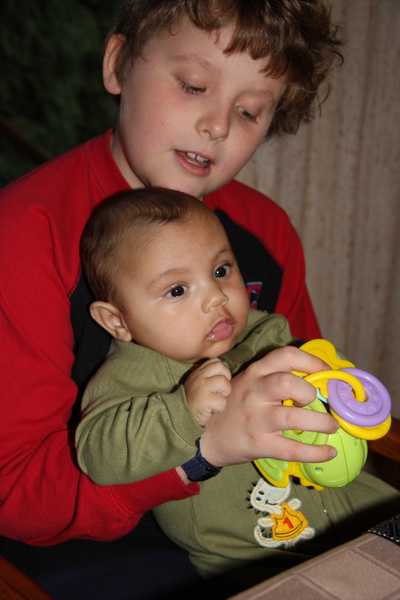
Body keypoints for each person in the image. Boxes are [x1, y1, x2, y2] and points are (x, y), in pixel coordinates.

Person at [1, 1, 392, 598]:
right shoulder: (24, 236)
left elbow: (306, 374)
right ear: (117, 64)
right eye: (192, 85)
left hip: (267, 512)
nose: (217, 126)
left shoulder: (266, 231)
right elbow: (17, 494)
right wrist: (200, 454)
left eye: (249, 110)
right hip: (83, 539)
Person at [76, 187, 399, 582]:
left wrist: (338, 385)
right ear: (116, 321)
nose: (216, 297)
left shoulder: (266, 334)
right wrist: (183, 410)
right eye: (177, 290)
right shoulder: (129, 377)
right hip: (254, 554)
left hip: (355, 505)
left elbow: (325, 382)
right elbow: (97, 455)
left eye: (221, 271)